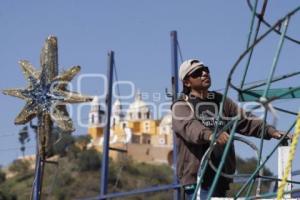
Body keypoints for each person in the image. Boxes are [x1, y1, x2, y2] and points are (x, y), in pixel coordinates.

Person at [171, 59, 291, 199]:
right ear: (187, 82)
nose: (204, 74)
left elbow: (244, 120)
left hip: (221, 176)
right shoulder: (181, 105)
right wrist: (211, 135)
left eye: (206, 70)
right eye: (197, 73)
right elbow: (189, 127)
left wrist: (271, 131)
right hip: (198, 180)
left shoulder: (221, 101)